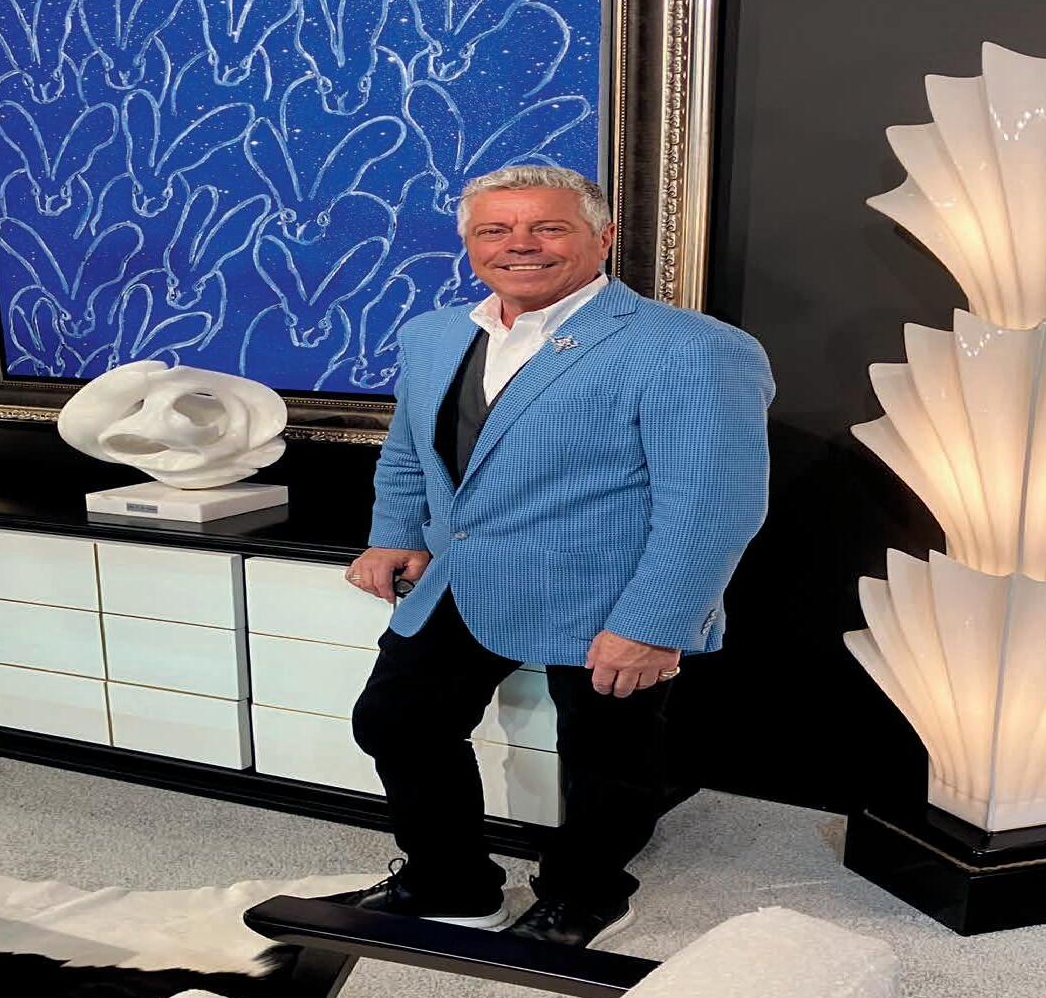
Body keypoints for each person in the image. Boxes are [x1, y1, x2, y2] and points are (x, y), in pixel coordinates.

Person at [326, 164, 775, 948]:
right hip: (462, 578)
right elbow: (408, 450)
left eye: (548, 227)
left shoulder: (691, 348)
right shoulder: (433, 335)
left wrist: (655, 624)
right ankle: (451, 885)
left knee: (607, 763)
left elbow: (713, 504)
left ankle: (587, 892)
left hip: (611, 594)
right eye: (495, 230)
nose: (520, 245)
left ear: (602, 238)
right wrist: (395, 533)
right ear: (471, 244)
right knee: (395, 722)